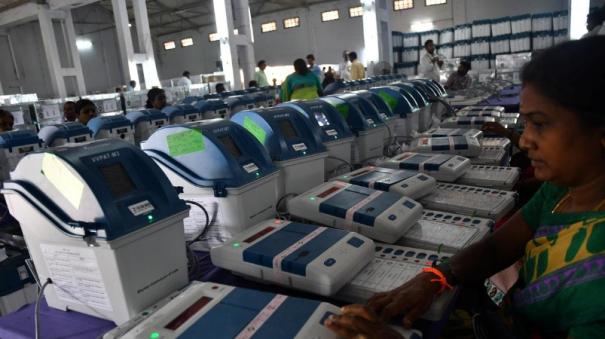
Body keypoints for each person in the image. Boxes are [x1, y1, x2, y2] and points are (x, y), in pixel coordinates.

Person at [325, 37, 605, 339]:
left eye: (539, 124)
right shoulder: (563, 190)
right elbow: (497, 247)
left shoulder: (597, 292)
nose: (523, 140)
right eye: (525, 123)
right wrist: (436, 277)